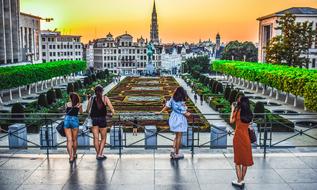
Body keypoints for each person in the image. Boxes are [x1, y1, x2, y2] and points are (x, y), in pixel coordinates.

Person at [156, 87, 191, 159]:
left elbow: (167, 106)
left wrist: (160, 112)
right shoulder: (181, 101)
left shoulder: (172, 99)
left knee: (176, 136)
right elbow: (183, 112)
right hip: (180, 119)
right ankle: (177, 153)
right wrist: (188, 113)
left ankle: (174, 150)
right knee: (179, 137)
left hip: (173, 118)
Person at [86, 85, 115, 160]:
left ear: (95, 92)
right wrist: (112, 113)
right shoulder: (105, 98)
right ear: (102, 91)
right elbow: (112, 109)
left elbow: (87, 110)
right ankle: (100, 154)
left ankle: (98, 154)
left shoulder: (91, 98)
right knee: (103, 138)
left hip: (94, 120)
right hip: (102, 119)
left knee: (95, 138)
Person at [230, 96, 254, 187]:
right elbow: (248, 124)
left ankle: (239, 180)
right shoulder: (249, 113)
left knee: (238, 160)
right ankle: (242, 180)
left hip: (238, 137)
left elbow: (231, 121)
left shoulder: (238, 112)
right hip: (246, 138)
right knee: (245, 160)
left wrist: (232, 109)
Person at [64, 92, 83, 163]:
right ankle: (74, 154)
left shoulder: (67, 104)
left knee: (69, 140)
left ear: (71, 98)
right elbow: (81, 113)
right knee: (74, 140)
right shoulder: (79, 104)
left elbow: (65, 112)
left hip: (67, 120)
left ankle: (71, 157)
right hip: (74, 120)